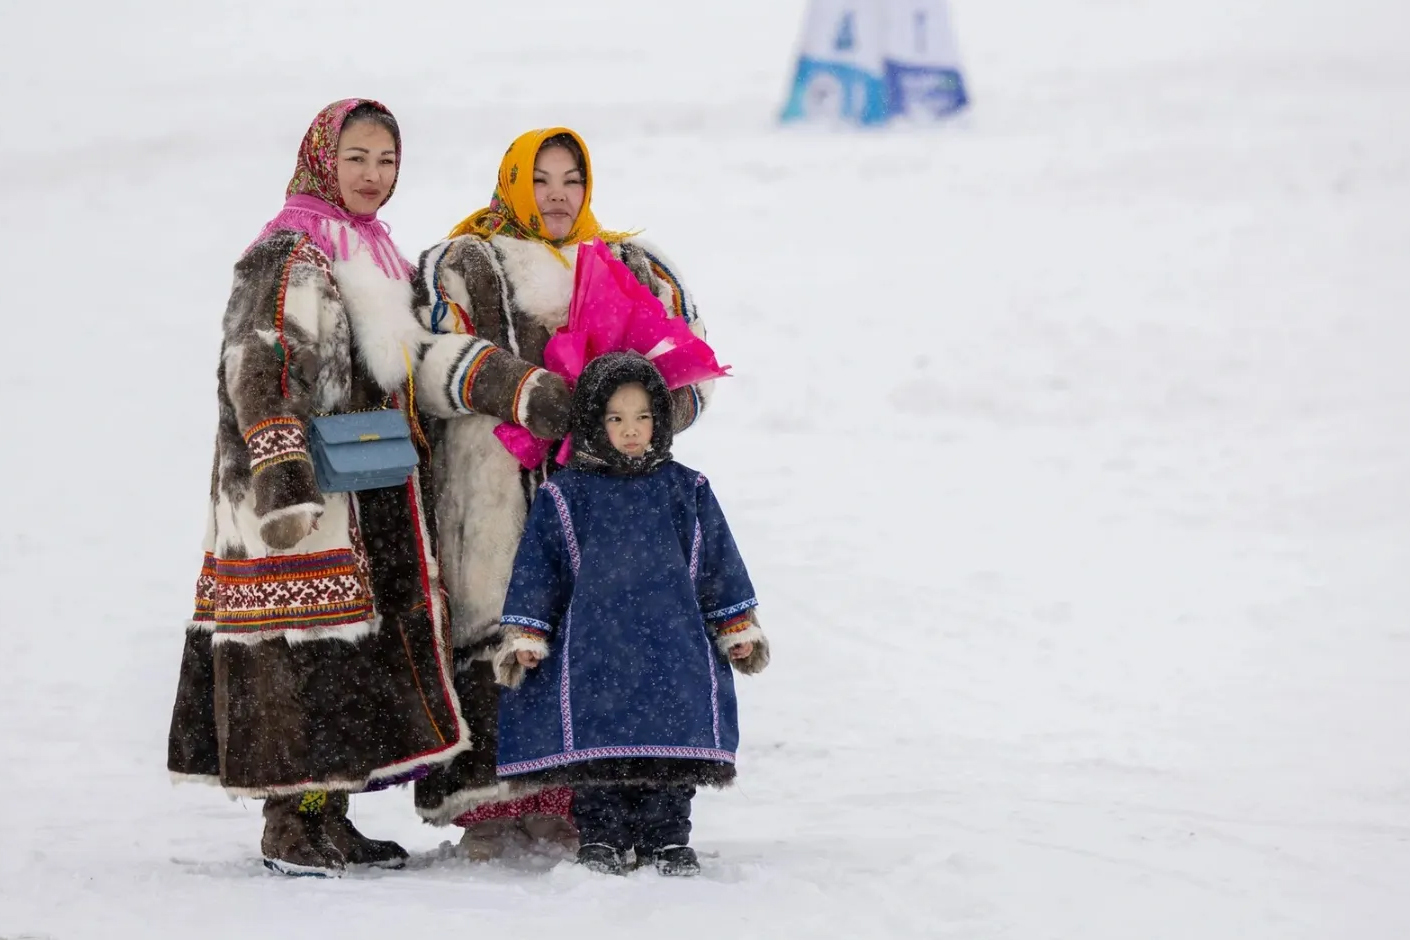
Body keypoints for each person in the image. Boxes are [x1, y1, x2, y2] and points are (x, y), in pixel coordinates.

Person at [166, 98, 521, 877]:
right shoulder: (289, 250)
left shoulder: (373, 253)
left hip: (358, 486)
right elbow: (259, 367)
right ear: (324, 158)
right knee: (299, 649)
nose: (372, 175)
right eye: (357, 158)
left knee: (346, 655)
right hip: (292, 500)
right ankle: (288, 824)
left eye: (386, 161)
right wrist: (282, 478)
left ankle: (330, 813)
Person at [408, 128, 717, 858]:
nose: (556, 195)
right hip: (489, 486)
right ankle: (488, 802)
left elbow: (691, 364)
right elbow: (422, 362)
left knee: (588, 638)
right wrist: (526, 392)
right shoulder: (461, 263)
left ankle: (579, 794)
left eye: (570, 180)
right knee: (496, 624)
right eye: (540, 179)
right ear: (513, 180)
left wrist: (628, 419)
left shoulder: (632, 263)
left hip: (605, 496)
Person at [490, 352, 770, 876]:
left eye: (642, 417)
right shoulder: (567, 494)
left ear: (660, 419)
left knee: (671, 744)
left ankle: (667, 835)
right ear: (594, 421)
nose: (631, 430)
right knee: (601, 746)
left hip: (674, 645)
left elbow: (717, 563)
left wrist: (736, 626)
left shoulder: (687, 489)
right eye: (615, 418)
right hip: (596, 650)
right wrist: (526, 632)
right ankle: (603, 833)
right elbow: (541, 568)